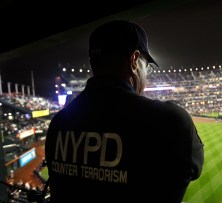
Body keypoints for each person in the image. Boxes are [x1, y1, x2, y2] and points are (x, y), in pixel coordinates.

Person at [45, 19, 204, 203]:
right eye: (147, 68)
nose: (146, 76)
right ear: (134, 60)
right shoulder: (170, 120)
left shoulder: (58, 124)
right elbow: (192, 169)